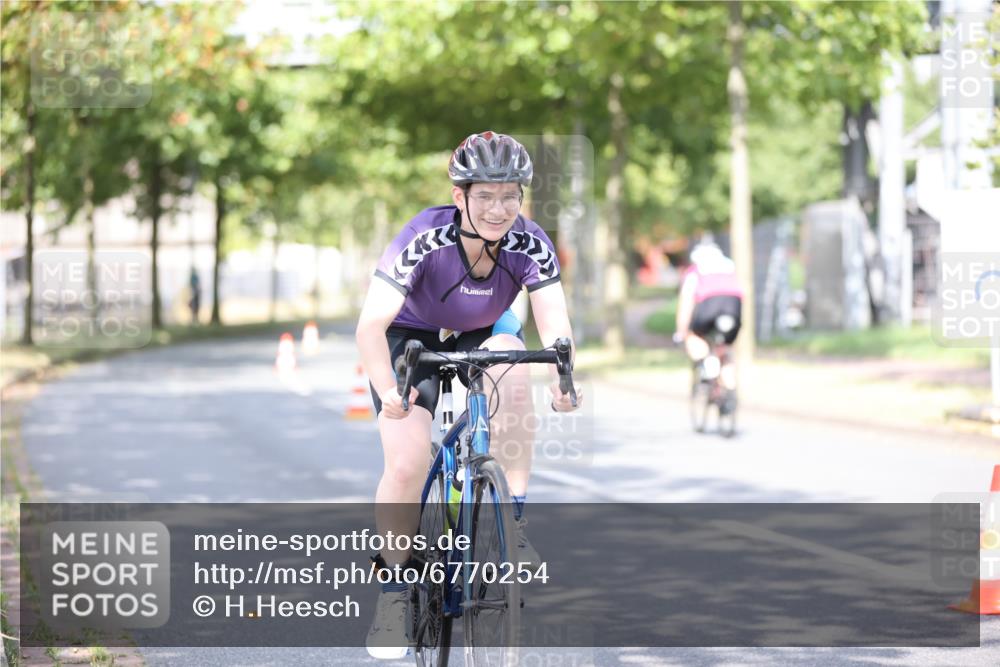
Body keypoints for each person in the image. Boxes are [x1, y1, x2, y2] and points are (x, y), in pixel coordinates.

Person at [355, 131, 583, 659]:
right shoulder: (422, 238)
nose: (500, 209)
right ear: (460, 196)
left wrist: (564, 379)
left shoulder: (530, 242)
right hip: (408, 337)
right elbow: (370, 327)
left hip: (484, 329)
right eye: (485, 196)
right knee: (408, 461)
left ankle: (514, 521)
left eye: (511, 196)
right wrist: (389, 391)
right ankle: (393, 591)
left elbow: (554, 325)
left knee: (514, 360)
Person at [674, 235, 743, 410]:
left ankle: (707, 372)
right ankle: (730, 392)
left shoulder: (695, 271)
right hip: (734, 306)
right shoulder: (729, 267)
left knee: (694, 336)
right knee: (725, 347)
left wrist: (681, 331)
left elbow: (686, 303)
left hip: (710, 305)